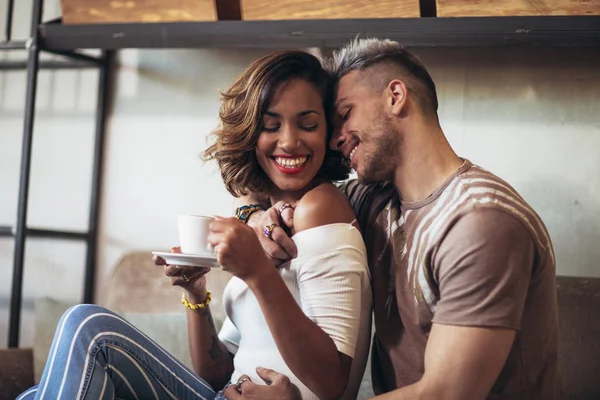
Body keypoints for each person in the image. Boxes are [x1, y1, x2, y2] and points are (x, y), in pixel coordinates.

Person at [17, 50, 372, 400]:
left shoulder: (320, 207)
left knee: (90, 330)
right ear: (251, 134)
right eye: (270, 126)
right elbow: (216, 371)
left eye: (307, 124)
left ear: (327, 130)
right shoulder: (264, 225)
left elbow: (331, 381)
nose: (290, 140)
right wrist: (196, 294)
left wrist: (258, 272)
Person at [237, 38, 563, 400]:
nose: (334, 140)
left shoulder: (480, 221)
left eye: (344, 116)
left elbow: (446, 394)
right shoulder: (375, 200)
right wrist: (256, 217)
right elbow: (274, 193)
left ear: (395, 96)